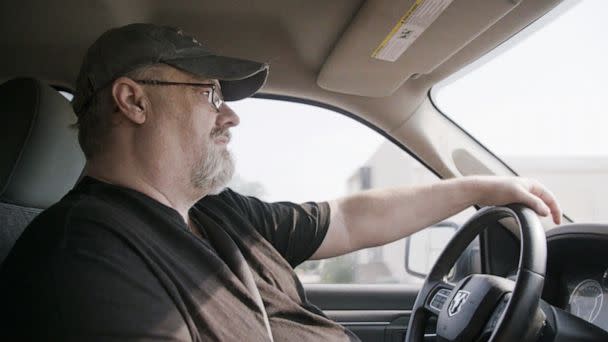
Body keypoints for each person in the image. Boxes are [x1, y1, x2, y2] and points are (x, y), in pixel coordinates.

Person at [0, 23, 561, 341]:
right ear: (133, 100)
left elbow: (348, 218)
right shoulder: (79, 257)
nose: (231, 116)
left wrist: (478, 190)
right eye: (210, 95)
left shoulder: (218, 214)